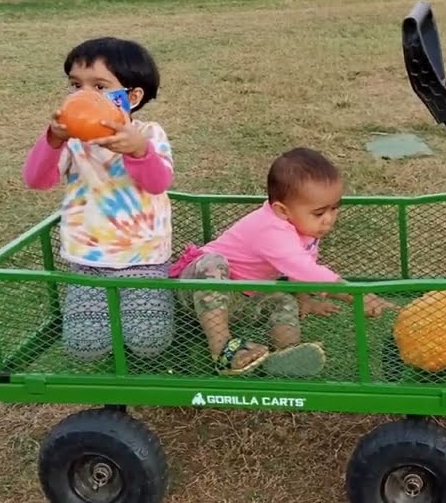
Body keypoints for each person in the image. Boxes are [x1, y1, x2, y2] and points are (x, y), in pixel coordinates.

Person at [168, 147, 396, 377]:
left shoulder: (303, 228)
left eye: (335, 208)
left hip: (239, 298)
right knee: (212, 264)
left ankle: (286, 355)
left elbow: (300, 267)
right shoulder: (271, 229)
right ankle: (223, 351)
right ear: (282, 210)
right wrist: (353, 295)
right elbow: (306, 270)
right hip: (196, 289)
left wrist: (303, 299)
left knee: (283, 301)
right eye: (319, 213)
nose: (329, 219)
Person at [23, 37, 176, 361]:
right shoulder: (72, 142)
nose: (83, 96)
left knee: (150, 345)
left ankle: (140, 320)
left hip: (144, 258)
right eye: (76, 85)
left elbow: (158, 182)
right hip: (88, 261)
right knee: (85, 349)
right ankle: (105, 329)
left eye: (99, 86)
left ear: (132, 97)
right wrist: (52, 140)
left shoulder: (149, 135)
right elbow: (36, 180)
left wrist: (138, 151)